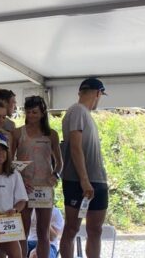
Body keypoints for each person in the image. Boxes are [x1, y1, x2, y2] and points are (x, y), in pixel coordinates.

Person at [59, 78, 109, 258]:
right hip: (77, 180)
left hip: (97, 178)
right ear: (98, 93)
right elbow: (75, 146)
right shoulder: (77, 110)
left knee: (95, 229)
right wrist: (84, 180)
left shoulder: (85, 114)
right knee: (72, 227)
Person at [11, 95, 62, 257]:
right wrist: (19, 180)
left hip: (44, 186)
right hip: (24, 186)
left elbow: (59, 163)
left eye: (34, 112)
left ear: (42, 113)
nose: (31, 115)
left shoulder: (51, 134)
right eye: (28, 112)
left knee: (43, 231)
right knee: (23, 230)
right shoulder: (18, 133)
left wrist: (55, 176)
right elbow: (9, 162)